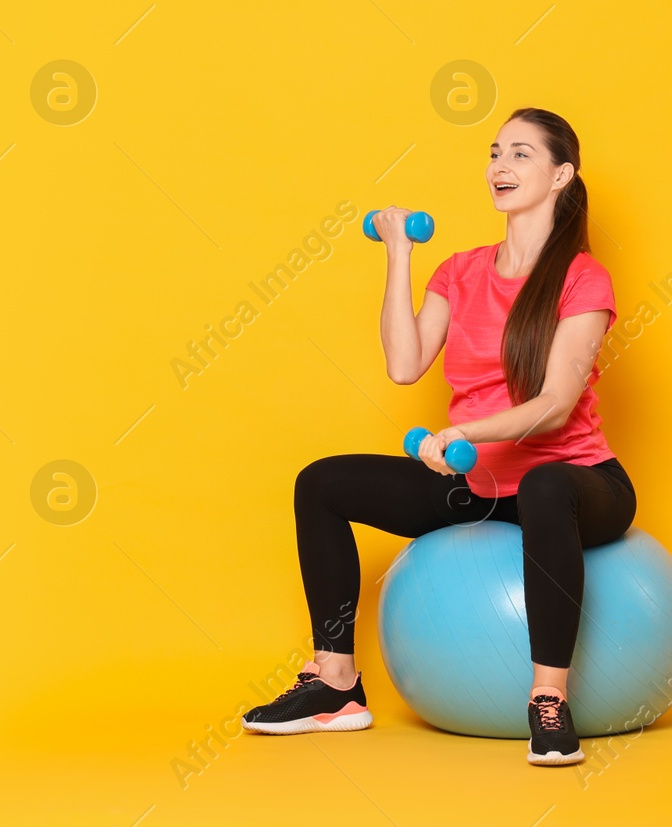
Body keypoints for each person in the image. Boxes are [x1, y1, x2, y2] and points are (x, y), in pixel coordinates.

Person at [241, 108, 635, 766]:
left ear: (562, 174)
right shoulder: (461, 271)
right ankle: (336, 683)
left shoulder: (583, 276)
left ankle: (549, 700)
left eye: (520, 154)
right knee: (321, 482)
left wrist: (465, 430)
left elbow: (556, 405)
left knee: (541, 484)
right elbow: (404, 363)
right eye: (494, 153)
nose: (499, 166)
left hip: (576, 483)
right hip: (477, 486)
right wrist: (401, 253)